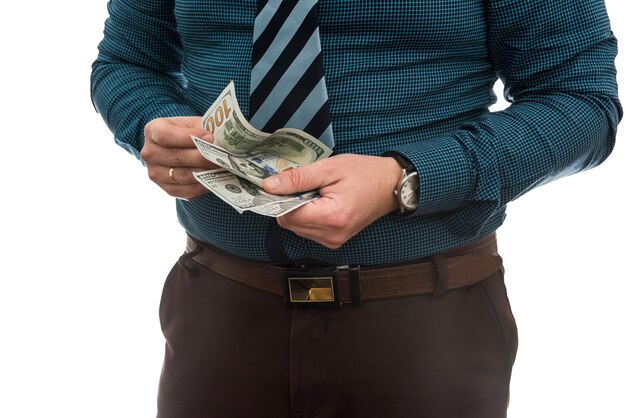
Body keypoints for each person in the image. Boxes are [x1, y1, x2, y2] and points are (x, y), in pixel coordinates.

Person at [91, 1, 621, 417]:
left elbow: (581, 101)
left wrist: (407, 177)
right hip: (218, 311)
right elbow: (127, 62)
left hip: (427, 327)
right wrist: (154, 124)